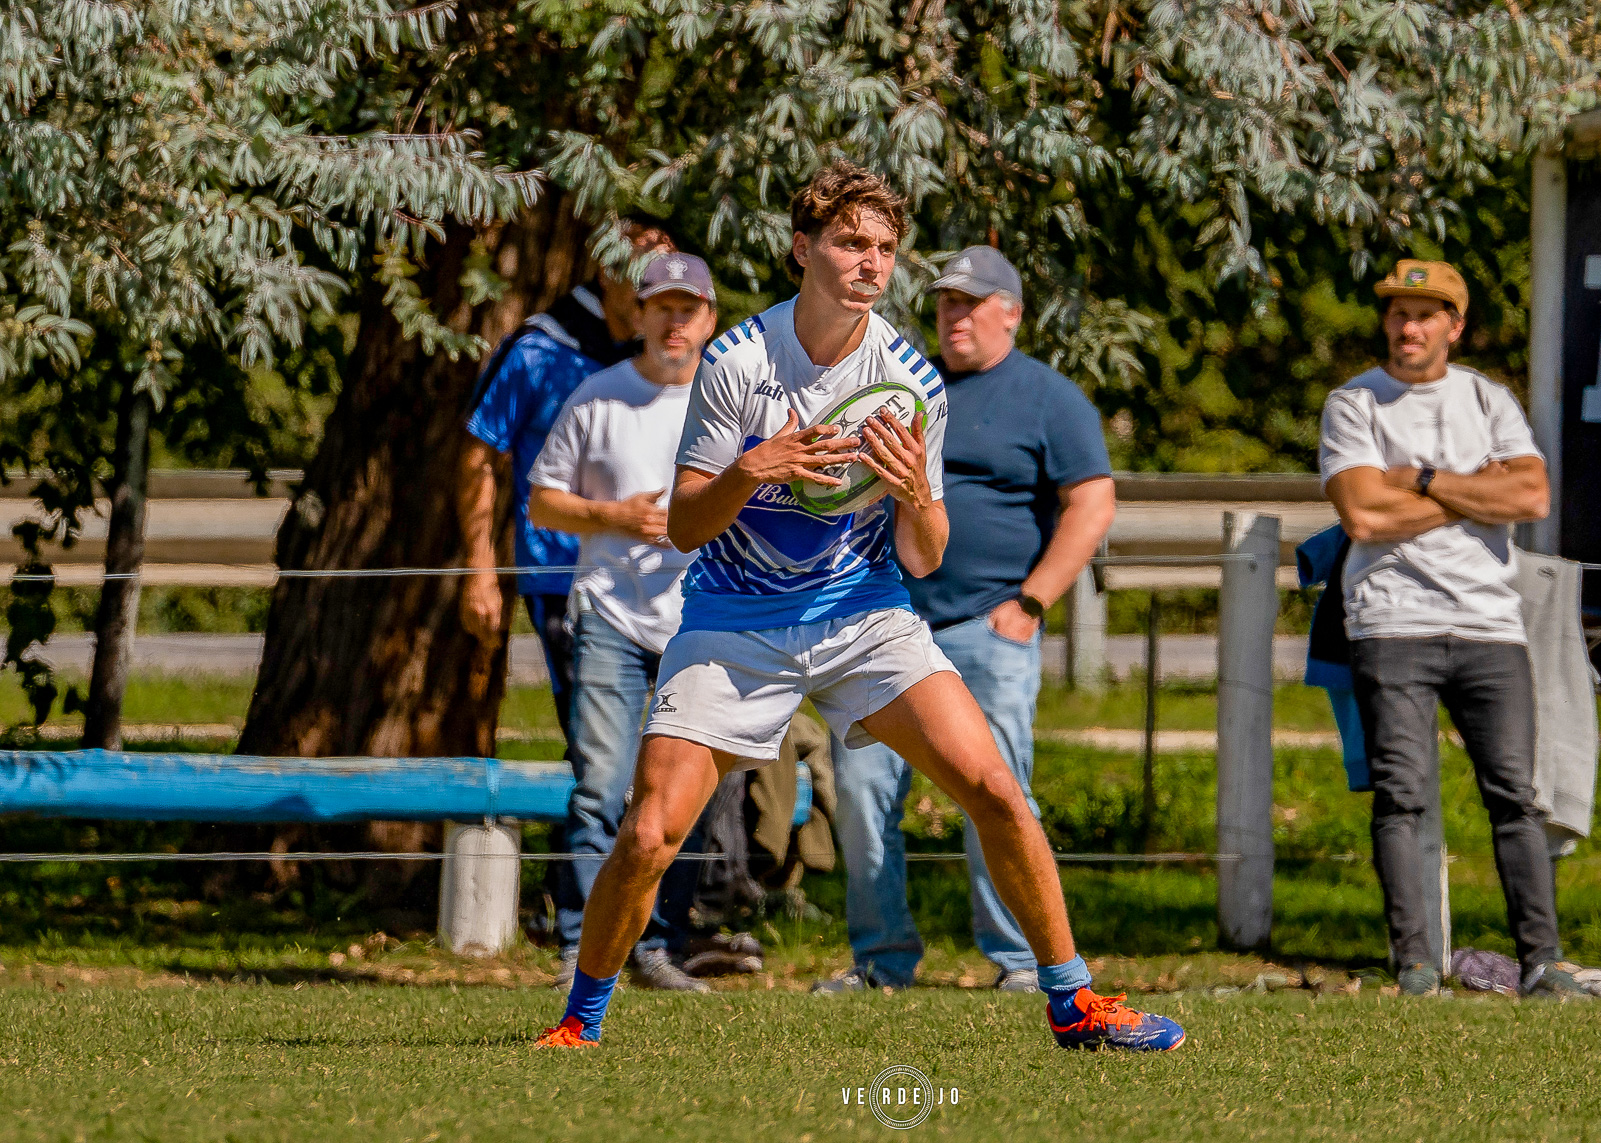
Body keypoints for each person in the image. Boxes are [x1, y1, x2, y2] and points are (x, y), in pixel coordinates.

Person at [535, 160, 1184, 1051]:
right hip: (734, 622)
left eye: (885, 247)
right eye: (849, 242)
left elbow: (924, 553)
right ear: (803, 249)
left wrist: (918, 491)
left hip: (864, 616)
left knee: (997, 788)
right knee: (648, 830)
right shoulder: (739, 360)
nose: (871, 261)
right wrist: (750, 470)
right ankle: (581, 1019)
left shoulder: (910, 378)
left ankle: (1073, 1001)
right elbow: (686, 525)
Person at [815, 246, 1115, 994]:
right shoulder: (906, 387)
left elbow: (1092, 502)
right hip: (883, 624)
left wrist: (1032, 602)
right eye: (947, 302)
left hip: (990, 627)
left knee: (999, 791)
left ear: (1011, 311)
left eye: (972, 302)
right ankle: (881, 962)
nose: (955, 315)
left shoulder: (1051, 399)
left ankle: (1020, 960)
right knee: (859, 791)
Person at [1320, 258, 1584, 1000]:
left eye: (1427, 313)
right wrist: (1477, 493)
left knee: (1515, 797)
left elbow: (1531, 492)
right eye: (1400, 312)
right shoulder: (1354, 403)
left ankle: (1543, 958)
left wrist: (1426, 480)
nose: (1410, 326)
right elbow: (1363, 514)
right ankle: (1414, 963)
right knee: (1402, 795)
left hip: (1488, 623)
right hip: (1390, 620)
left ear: (1455, 324)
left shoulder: (1487, 398)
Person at [527, 253, 762, 992]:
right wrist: (616, 517)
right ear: (637, 315)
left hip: (704, 623)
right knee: (600, 784)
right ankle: (580, 946)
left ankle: (658, 945)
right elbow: (542, 501)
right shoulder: (597, 397)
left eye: (687, 307)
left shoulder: (733, 405)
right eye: (660, 305)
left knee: (684, 795)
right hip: (609, 614)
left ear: (709, 319)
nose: (674, 320)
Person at [460, 221, 678, 738]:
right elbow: (478, 458)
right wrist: (480, 569)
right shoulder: (539, 351)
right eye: (644, 271)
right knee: (600, 746)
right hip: (567, 581)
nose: (657, 287)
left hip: (664, 579)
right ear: (607, 271)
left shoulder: (666, 356)